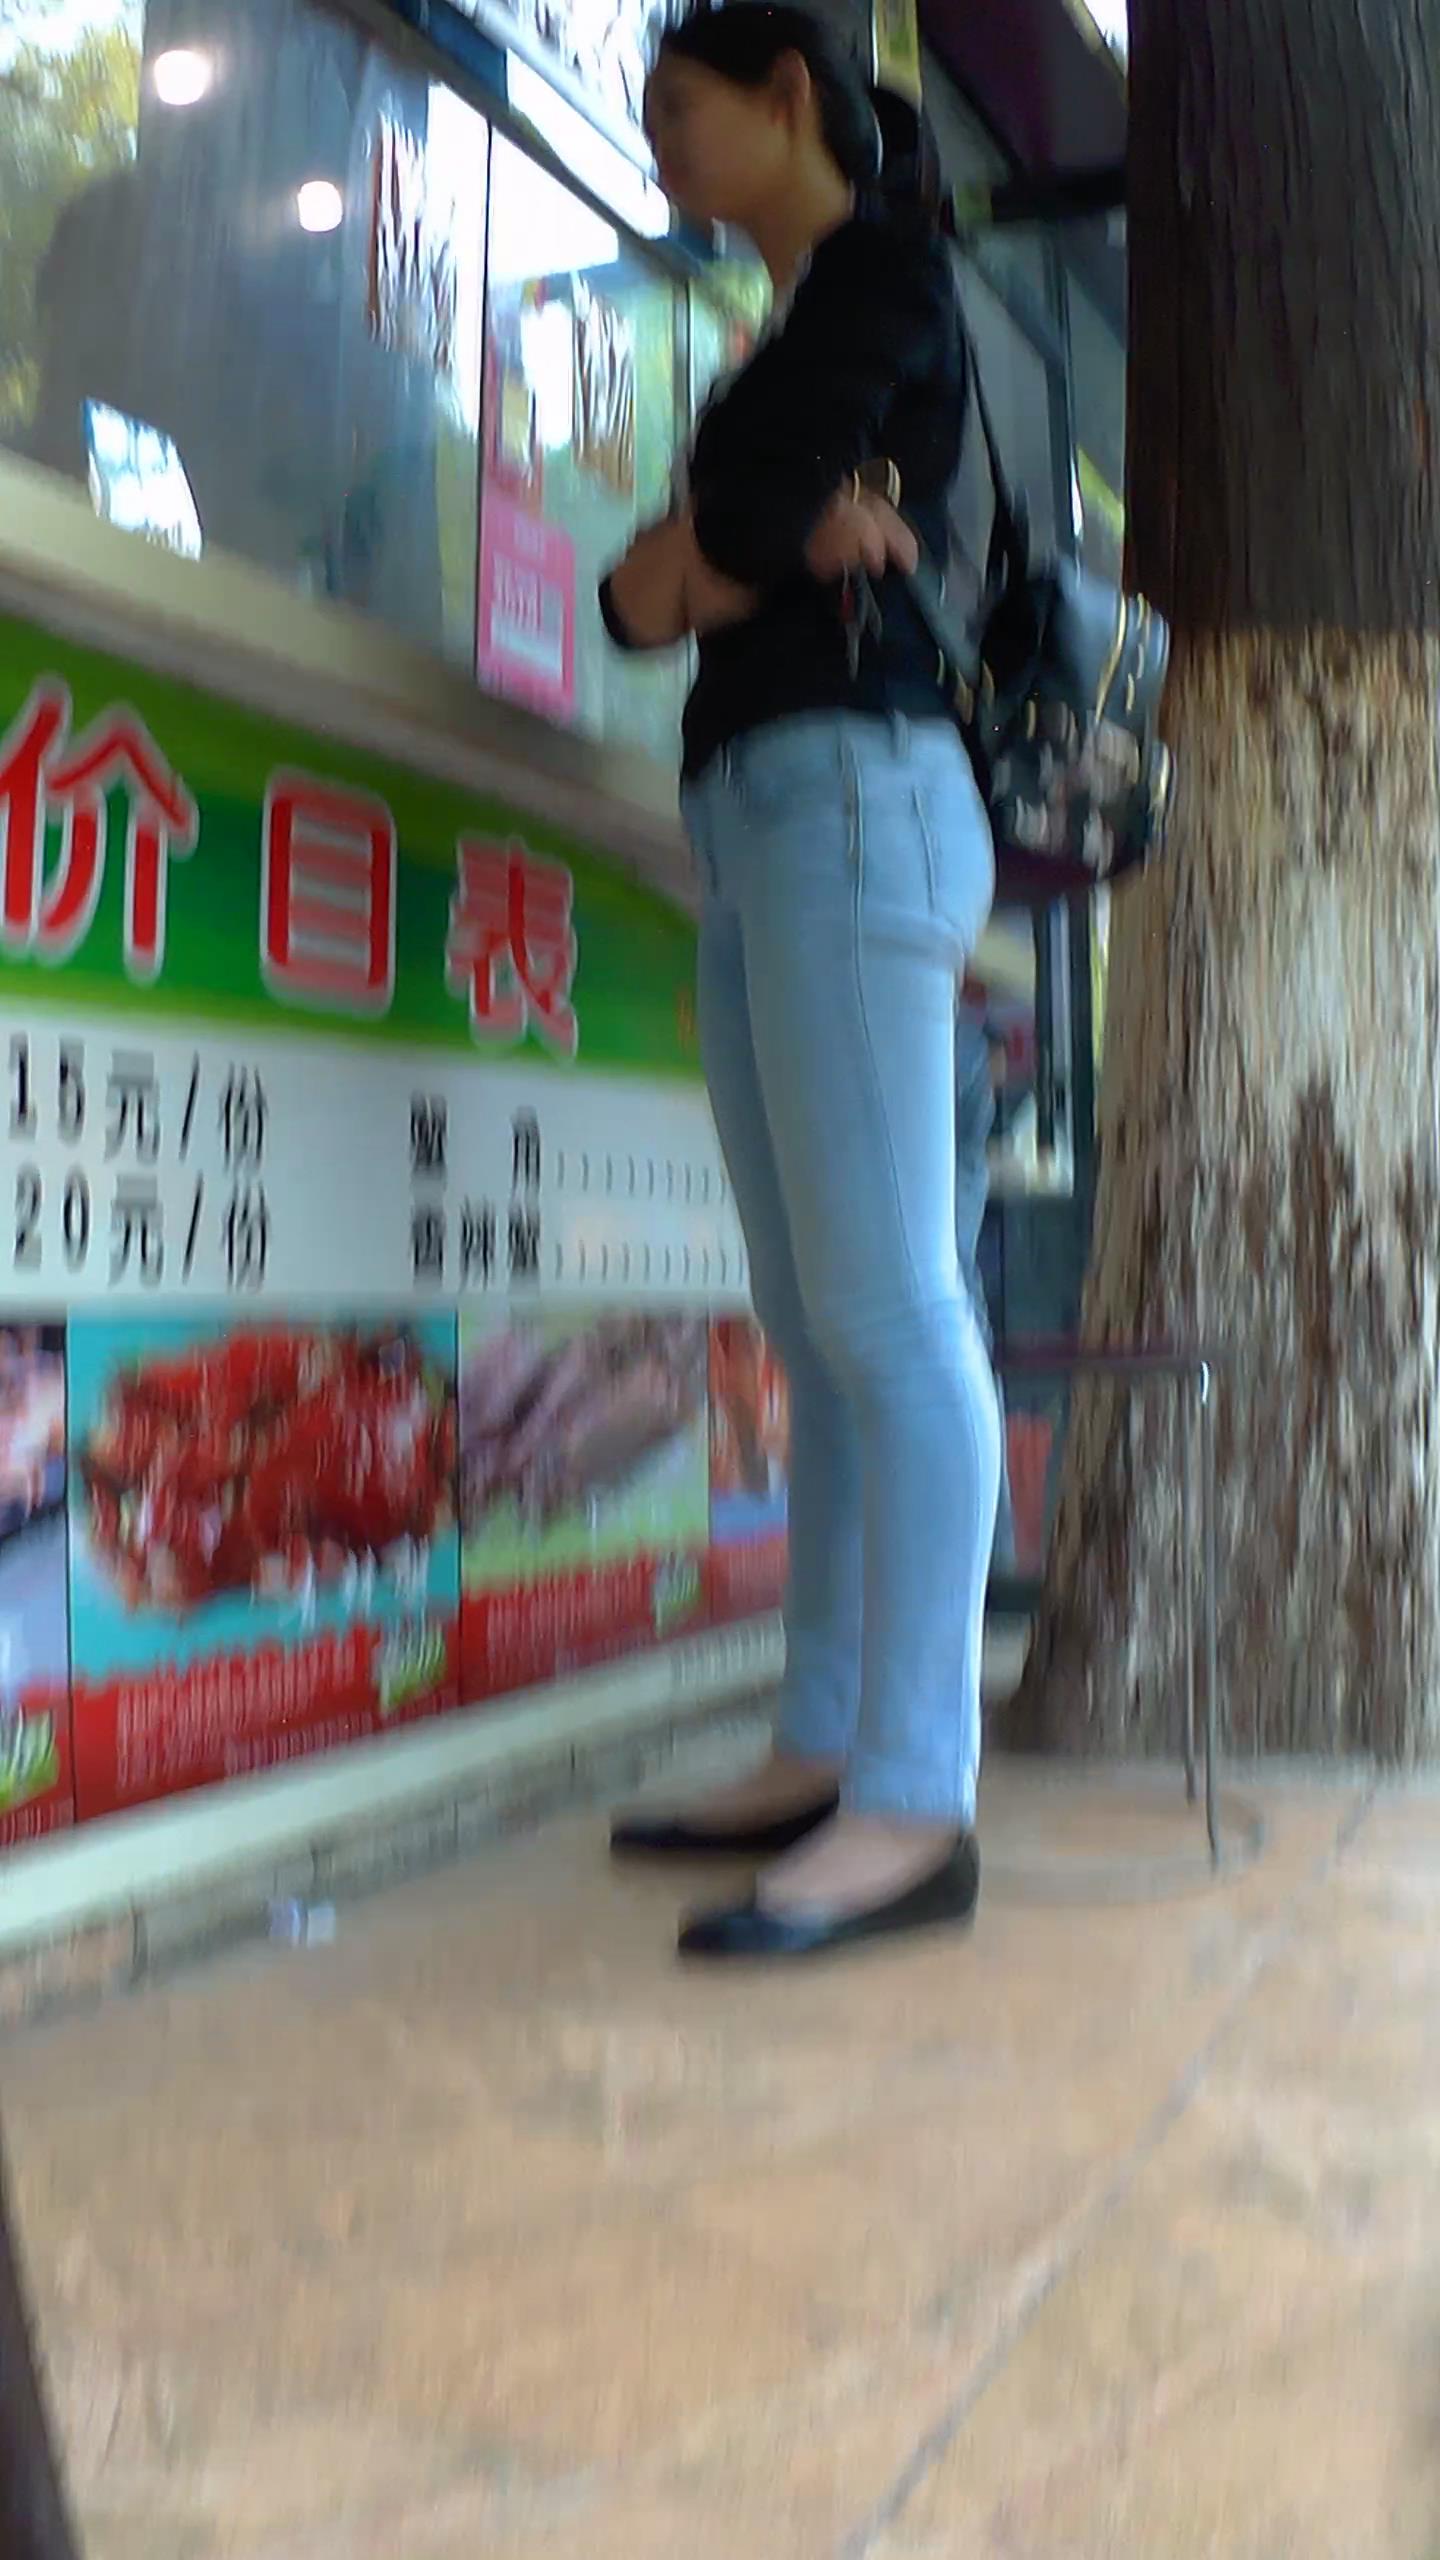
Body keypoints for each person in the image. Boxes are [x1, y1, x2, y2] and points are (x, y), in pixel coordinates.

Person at [602, 2, 1000, 1961]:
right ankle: (827, 1741)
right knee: (818, 1318)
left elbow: (726, 536)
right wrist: (736, 543)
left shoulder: (885, 277)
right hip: (769, 810)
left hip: (854, 792)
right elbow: (637, 598)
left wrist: (729, 542)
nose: (656, 145)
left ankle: (917, 1798)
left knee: (888, 1306)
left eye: (678, 108)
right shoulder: (790, 335)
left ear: (786, 100)